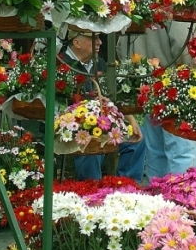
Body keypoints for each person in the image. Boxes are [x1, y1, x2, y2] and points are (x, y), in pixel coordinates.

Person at [59, 26, 146, 182]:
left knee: (136, 140)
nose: (100, 42)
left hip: (102, 125)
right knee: (91, 144)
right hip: (74, 129)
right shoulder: (61, 64)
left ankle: (127, 186)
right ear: (77, 43)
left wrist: (131, 120)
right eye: (94, 38)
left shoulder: (99, 62)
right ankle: (92, 189)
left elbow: (114, 95)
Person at [129, 22, 196, 180]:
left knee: (156, 153)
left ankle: (157, 194)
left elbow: (123, 44)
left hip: (147, 87)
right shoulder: (176, 9)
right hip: (178, 88)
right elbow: (185, 46)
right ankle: (184, 194)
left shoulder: (134, 7)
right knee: (184, 152)